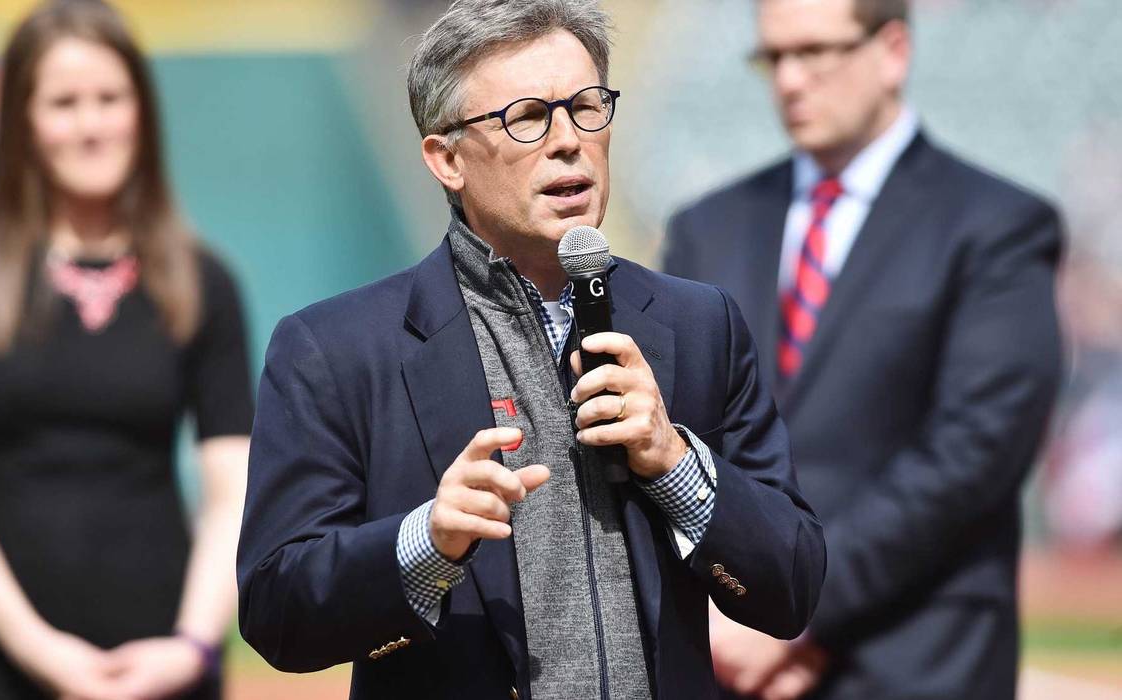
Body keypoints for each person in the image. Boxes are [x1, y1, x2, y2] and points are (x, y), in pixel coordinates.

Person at [237, 1, 825, 699]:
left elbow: (792, 585)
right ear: (447, 159)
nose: (568, 140)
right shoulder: (336, 350)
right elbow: (277, 612)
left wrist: (673, 462)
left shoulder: (699, 324)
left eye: (586, 107)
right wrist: (426, 542)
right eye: (527, 117)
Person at [664, 0, 1062, 698]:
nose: (789, 80)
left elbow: (972, 453)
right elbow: (678, 437)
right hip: (729, 658)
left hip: (915, 659)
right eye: (773, 56)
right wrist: (734, 608)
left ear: (892, 51)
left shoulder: (997, 226)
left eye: (815, 52)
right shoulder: (707, 228)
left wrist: (800, 609)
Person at [0, 2, 253, 698]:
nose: (91, 125)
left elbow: (235, 488)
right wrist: (37, 646)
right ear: (22, 122)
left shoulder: (203, 282)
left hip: (157, 665)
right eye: (63, 103)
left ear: (141, 111)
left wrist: (192, 645)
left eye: (110, 98)